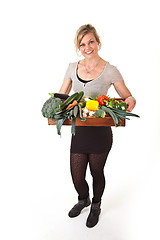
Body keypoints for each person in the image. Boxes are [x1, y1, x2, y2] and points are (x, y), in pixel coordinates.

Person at [59, 24, 136, 228]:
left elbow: (128, 96)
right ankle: (83, 198)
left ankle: (96, 205)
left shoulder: (110, 70)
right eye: (82, 43)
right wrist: (55, 108)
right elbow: (62, 96)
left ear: (98, 42)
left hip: (100, 130)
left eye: (91, 41)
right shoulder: (71, 68)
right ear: (78, 46)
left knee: (96, 172)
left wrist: (130, 101)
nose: (87, 47)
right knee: (77, 176)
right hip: (79, 130)